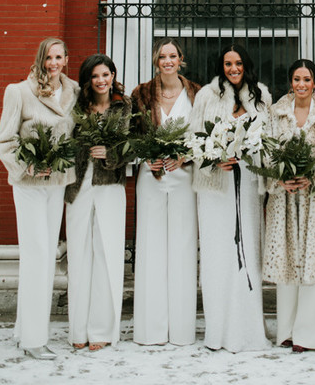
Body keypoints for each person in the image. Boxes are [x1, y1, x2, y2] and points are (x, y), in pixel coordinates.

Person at [0, 37, 79, 359]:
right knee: (37, 256)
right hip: (29, 185)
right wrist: (27, 164)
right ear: (40, 59)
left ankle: (23, 330)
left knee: (46, 259)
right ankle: (33, 341)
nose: (53, 63)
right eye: (48, 58)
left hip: (57, 184)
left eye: (59, 57)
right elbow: (3, 142)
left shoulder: (74, 94)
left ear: (67, 59)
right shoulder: (19, 92)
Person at [263, 58, 315, 352]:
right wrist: (280, 178)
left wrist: (314, 176)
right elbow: (266, 151)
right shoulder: (275, 114)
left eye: (307, 79)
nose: (301, 84)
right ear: (291, 82)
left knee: (314, 263)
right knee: (287, 264)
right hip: (284, 199)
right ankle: (286, 330)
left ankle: (309, 335)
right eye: (297, 79)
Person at [191, 43, 272, 352]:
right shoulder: (206, 96)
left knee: (248, 251)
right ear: (220, 66)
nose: (233, 68)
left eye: (238, 63)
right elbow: (194, 140)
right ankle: (219, 331)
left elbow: (271, 140)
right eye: (227, 63)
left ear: (246, 64)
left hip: (250, 183)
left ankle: (249, 328)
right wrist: (213, 160)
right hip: (215, 186)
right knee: (217, 255)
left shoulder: (261, 95)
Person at [131, 37, 200, 346]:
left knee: (184, 247)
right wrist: (146, 155)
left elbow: (205, 135)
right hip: (151, 176)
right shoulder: (141, 94)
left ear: (181, 59)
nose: (168, 61)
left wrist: (187, 155)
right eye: (162, 56)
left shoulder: (198, 93)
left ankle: (182, 330)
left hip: (184, 177)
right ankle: (151, 329)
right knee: (151, 247)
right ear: (156, 61)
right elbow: (131, 134)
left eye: (173, 55)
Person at [65, 54, 131, 351]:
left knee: (107, 256)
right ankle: (78, 329)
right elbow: (64, 141)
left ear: (113, 75)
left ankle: (102, 329)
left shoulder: (125, 105)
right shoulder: (76, 106)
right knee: (79, 256)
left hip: (110, 185)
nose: (101, 81)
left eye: (105, 74)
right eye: (95, 76)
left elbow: (134, 147)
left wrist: (112, 154)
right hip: (78, 187)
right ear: (87, 80)